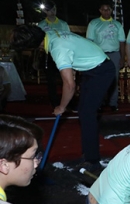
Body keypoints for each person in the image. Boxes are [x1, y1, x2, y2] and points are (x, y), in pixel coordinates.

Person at [11, 25, 115, 173]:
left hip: (101, 71)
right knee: (84, 113)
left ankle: (92, 161)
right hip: (92, 68)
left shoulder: (57, 49)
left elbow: (69, 85)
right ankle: (88, 156)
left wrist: (62, 107)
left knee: (87, 113)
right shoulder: (51, 34)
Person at [86, 1, 126, 111]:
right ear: (100, 10)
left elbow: (122, 42)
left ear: (111, 10)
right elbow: (90, 42)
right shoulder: (94, 23)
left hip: (114, 54)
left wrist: (122, 57)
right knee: (99, 80)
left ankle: (113, 103)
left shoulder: (117, 25)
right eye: (103, 9)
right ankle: (100, 102)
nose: (106, 11)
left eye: (108, 9)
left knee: (114, 79)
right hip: (99, 55)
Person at [38, 0, 70, 108]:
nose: (52, 12)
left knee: (65, 79)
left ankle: (67, 100)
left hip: (62, 54)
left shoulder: (63, 24)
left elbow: (69, 38)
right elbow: (38, 40)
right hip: (48, 54)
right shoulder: (42, 25)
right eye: (50, 10)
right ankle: (54, 101)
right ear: (45, 11)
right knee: (51, 80)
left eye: (54, 9)